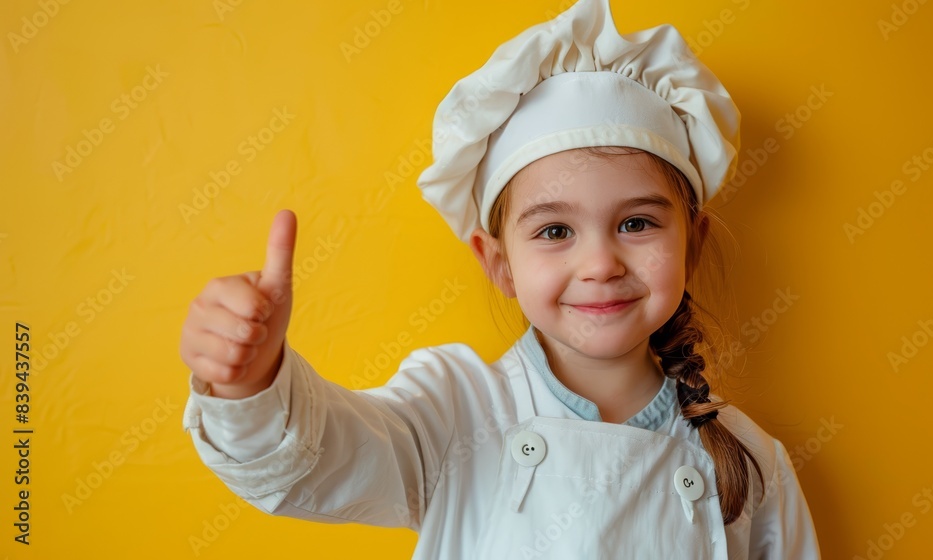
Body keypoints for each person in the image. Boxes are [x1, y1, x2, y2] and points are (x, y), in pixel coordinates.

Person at [179, 0, 821, 557]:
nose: (600, 265)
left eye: (636, 223)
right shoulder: (453, 410)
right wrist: (252, 385)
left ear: (693, 243)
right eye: (555, 231)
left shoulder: (750, 460)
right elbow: (319, 462)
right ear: (499, 264)